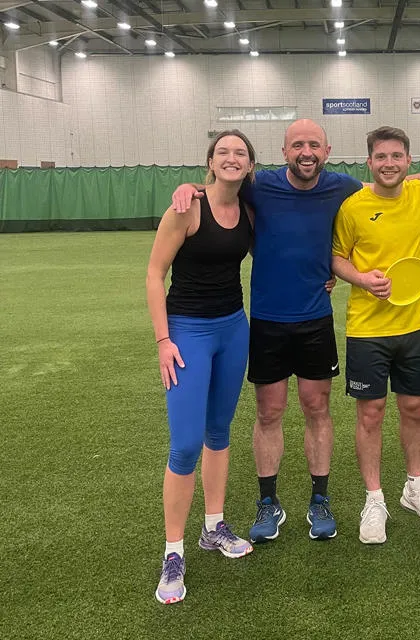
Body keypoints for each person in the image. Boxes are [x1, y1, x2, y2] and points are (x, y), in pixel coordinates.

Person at [172, 119, 420, 544]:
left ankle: (319, 499)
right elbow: (222, 186)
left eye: (314, 146)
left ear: (327, 151)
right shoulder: (261, 185)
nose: (306, 153)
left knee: (316, 408)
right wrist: (191, 187)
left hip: (315, 320)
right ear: (284, 151)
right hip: (268, 321)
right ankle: (268, 502)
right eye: (297, 145)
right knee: (269, 412)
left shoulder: (341, 186)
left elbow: (383, 179)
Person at [147, 130, 256, 604]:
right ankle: (174, 551)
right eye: (223, 152)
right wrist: (164, 339)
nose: (232, 158)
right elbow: (154, 274)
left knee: (219, 432)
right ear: (210, 161)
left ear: (250, 164)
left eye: (241, 153)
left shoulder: (251, 209)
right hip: (188, 333)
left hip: (234, 329)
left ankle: (214, 526)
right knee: (186, 443)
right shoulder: (187, 207)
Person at [331, 126, 420, 544]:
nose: (388, 164)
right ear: (369, 162)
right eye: (380, 157)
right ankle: (374, 498)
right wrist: (362, 278)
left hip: (415, 326)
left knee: (414, 407)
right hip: (366, 328)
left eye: (396, 156)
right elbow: (336, 258)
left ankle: (414, 487)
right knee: (371, 413)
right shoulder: (352, 207)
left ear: (408, 161)